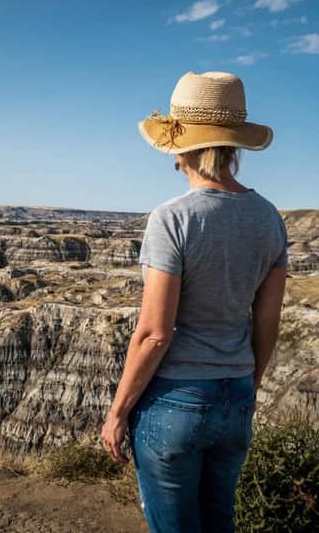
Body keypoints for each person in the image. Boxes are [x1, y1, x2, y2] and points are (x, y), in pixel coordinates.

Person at [100, 71, 288, 533]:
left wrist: (118, 412)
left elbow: (154, 334)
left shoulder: (173, 219)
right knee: (219, 522)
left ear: (181, 145)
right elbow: (267, 322)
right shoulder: (270, 219)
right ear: (233, 146)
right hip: (237, 394)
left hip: (176, 401)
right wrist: (249, 383)